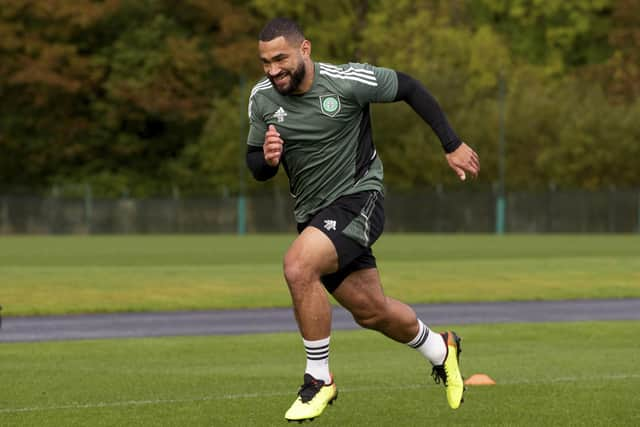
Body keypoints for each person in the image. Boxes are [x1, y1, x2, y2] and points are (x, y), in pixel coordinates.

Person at [246, 17, 480, 423]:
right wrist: (267, 160)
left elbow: (408, 86)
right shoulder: (262, 98)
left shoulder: (346, 80)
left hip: (360, 199)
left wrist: (452, 144)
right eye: (265, 62)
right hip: (313, 216)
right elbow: (255, 165)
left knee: (298, 266)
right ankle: (443, 350)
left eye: (280, 58)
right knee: (371, 312)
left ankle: (318, 380)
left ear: (305, 50)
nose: (272, 70)